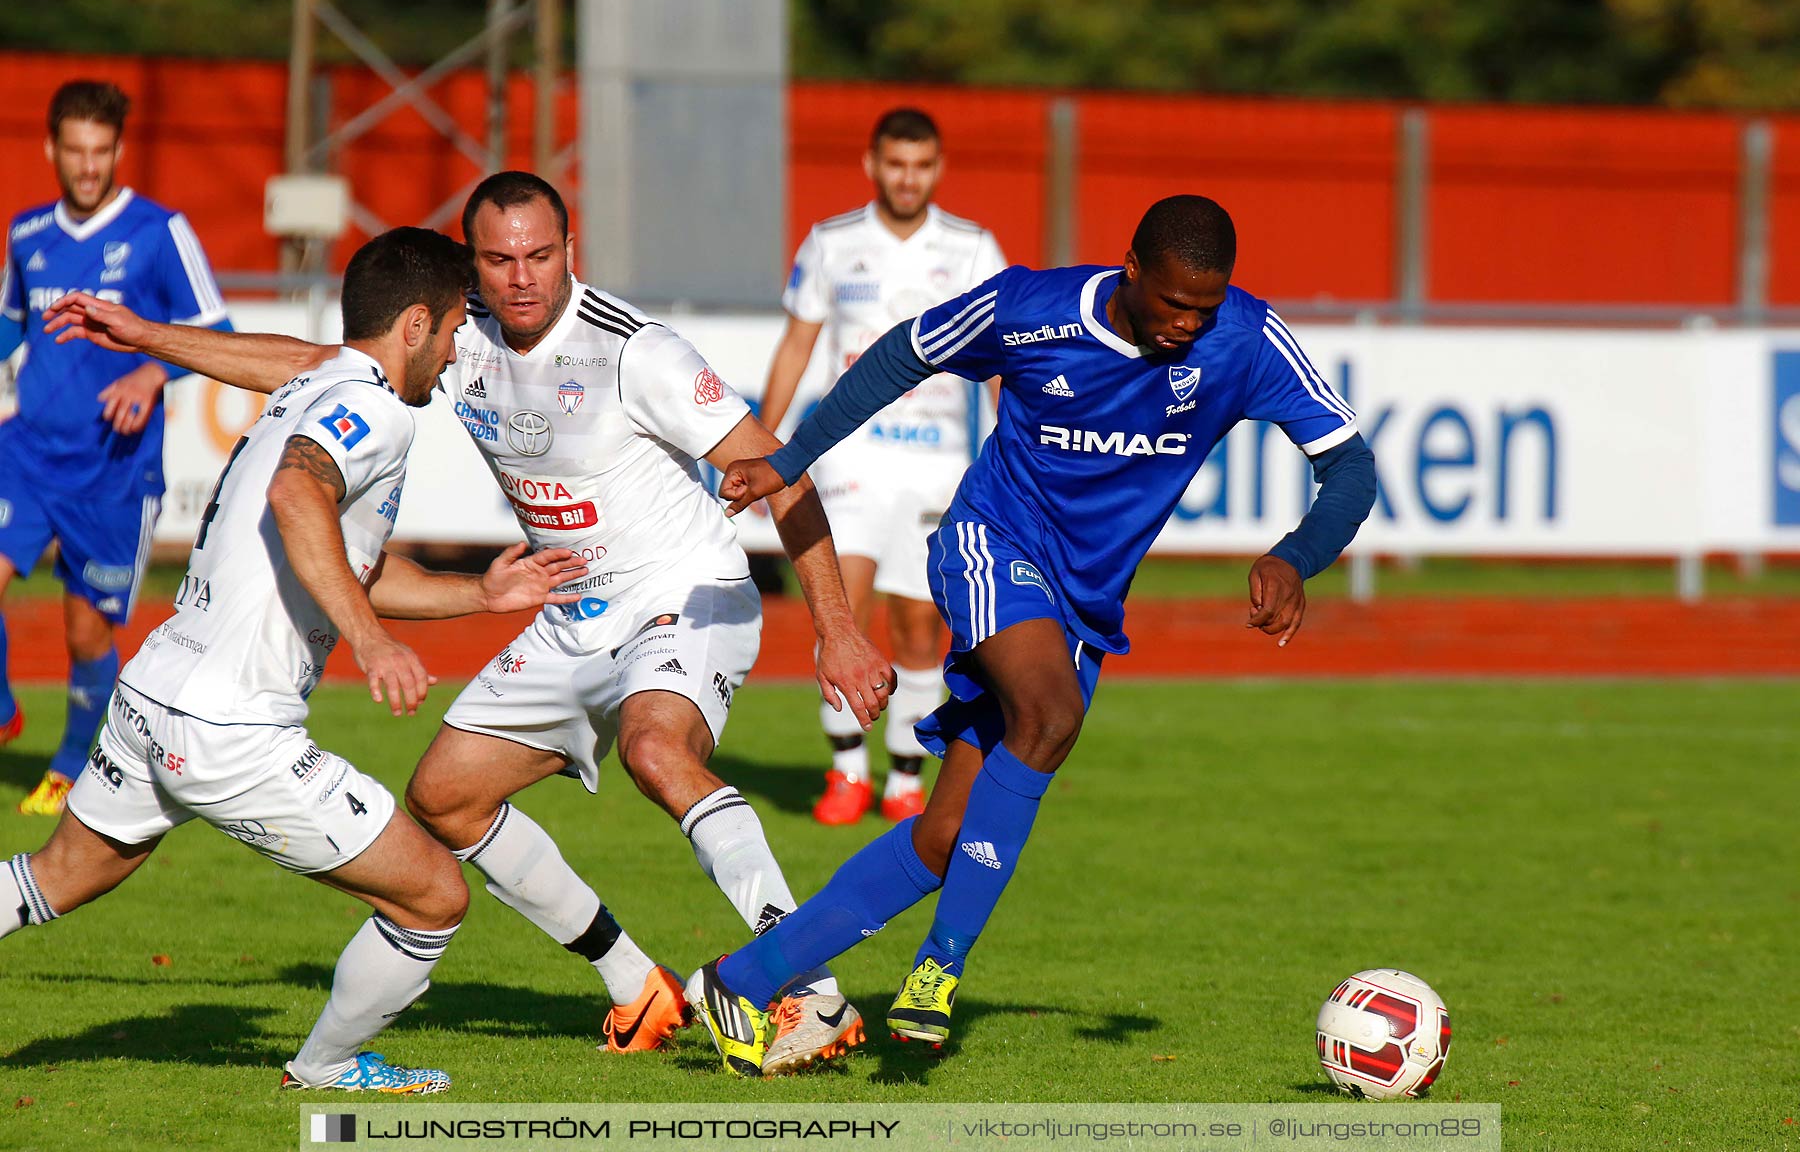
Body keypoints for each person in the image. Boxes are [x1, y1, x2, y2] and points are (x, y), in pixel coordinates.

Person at [44, 172, 894, 1075]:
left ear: (573, 252)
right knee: (445, 798)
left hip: (681, 594)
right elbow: (314, 364)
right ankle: (633, 979)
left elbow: (783, 473)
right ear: (472, 270)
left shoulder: (638, 353)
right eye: (499, 259)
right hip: (571, 610)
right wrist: (151, 339)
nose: (522, 277)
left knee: (655, 749)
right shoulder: (466, 334)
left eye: (540, 255)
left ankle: (811, 983)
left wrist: (834, 627)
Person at [684, 195, 1380, 1076]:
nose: (1187, 325)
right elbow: (901, 354)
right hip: (990, 544)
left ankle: (739, 981)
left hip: (1083, 606)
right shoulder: (1029, 310)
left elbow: (1350, 463)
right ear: (1131, 266)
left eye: (1204, 308)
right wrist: (787, 459)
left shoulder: (1243, 340)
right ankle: (938, 971)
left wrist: (1297, 555)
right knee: (1047, 715)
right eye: (1173, 303)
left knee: (946, 837)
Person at [0, 228, 585, 1093]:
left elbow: (348, 544)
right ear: (417, 324)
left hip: (155, 689)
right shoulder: (377, 408)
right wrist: (372, 640)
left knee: (54, 878)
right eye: (460, 325)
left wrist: (479, 595)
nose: (462, 347)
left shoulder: (323, 377)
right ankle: (329, 1066)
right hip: (231, 727)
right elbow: (295, 491)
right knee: (433, 896)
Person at [760, 108, 1005, 827]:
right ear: (872, 165)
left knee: (921, 625)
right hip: (851, 455)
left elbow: (999, 361)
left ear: (939, 168)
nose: (908, 178)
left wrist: (1013, 447)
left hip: (937, 459)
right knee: (843, 610)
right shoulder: (833, 243)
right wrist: (768, 448)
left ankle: (904, 778)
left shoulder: (971, 248)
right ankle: (846, 774)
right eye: (896, 164)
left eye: (922, 165)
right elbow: (798, 345)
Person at [0, 80, 233, 816]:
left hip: (113, 471)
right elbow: (12, 326)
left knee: (83, 628)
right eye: (75, 150)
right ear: (52, 151)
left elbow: (217, 335)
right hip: (28, 451)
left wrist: (148, 371)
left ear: (118, 151)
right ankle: (4, 712)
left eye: (102, 151)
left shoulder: (160, 232)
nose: (89, 165)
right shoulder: (27, 234)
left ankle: (73, 762)